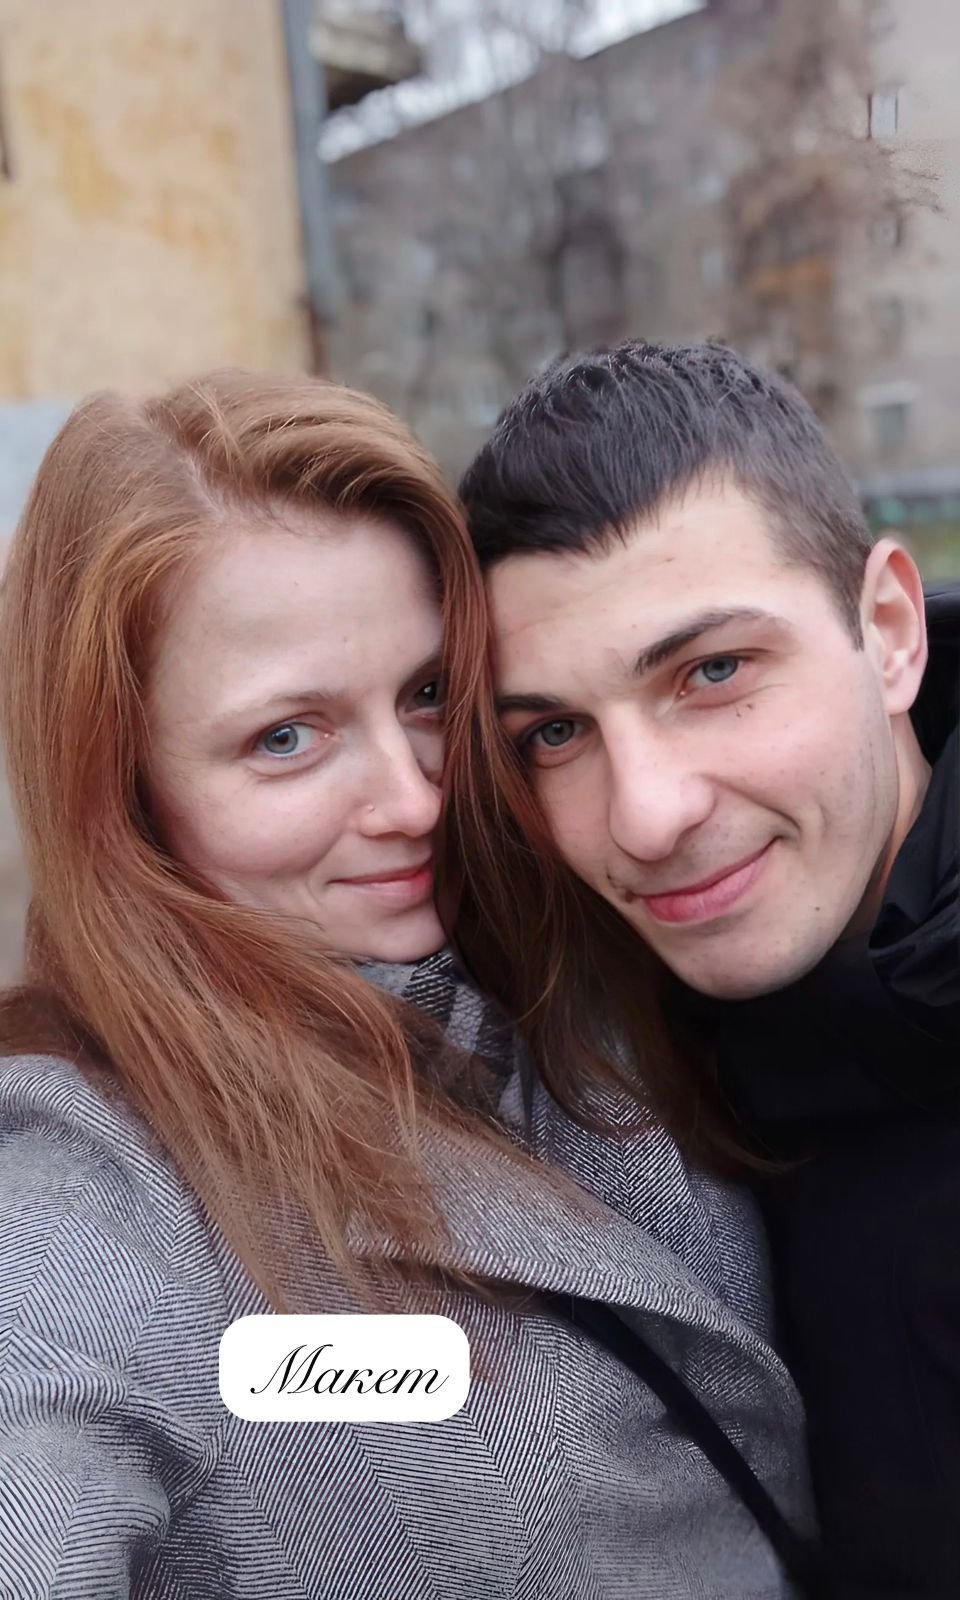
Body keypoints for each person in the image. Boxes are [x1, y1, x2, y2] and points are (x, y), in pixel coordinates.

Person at [0, 369, 811, 1599]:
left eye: (428, 694)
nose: (416, 799)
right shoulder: (89, 1192)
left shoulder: (580, 928)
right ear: (124, 790)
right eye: (287, 736)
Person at [453, 338, 960, 1600]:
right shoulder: (600, 1054)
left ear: (889, 632)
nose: (645, 815)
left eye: (714, 672)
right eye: (556, 733)